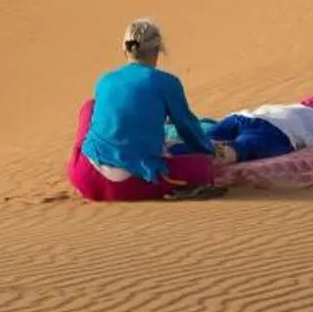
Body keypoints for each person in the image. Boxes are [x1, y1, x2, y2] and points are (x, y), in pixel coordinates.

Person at [68, 18, 230, 201]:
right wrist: (208, 149)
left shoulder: (104, 80)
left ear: (125, 50)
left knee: (90, 106)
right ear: (157, 50)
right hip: (128, 185)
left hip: (85, 178)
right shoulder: (166, 82)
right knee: (202, 167)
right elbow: (187, 128)